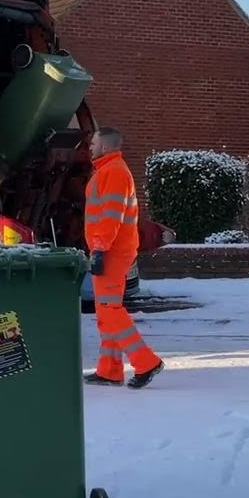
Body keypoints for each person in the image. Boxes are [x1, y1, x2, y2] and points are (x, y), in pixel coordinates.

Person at [83, 127, 164, 389]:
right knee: (105, 310)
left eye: (93, 143)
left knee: (109, 309)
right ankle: (109, 370)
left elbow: (111, 216)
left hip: (112, 251)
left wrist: (100, 248)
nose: (90, 147)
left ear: (105, 147)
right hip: (112, 249)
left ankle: (146, 362)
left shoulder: (114, 172)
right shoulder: (108, 170)